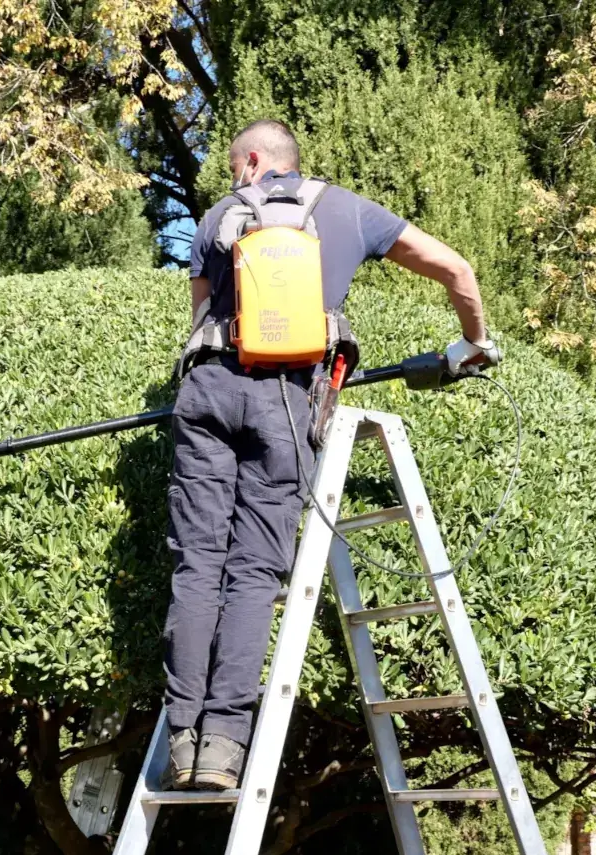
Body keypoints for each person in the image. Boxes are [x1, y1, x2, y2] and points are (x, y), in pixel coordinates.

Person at [165, 119, 499, 790]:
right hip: (288, 403)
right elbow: (456, 270)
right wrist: (474, 343)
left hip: (208, 394)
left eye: (235, 167)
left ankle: (180, 741)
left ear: (251, 161)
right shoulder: (347, 209)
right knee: (254, 573)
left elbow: (200, 323)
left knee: (197, 565)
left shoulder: (217, 217)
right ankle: (223, 746)